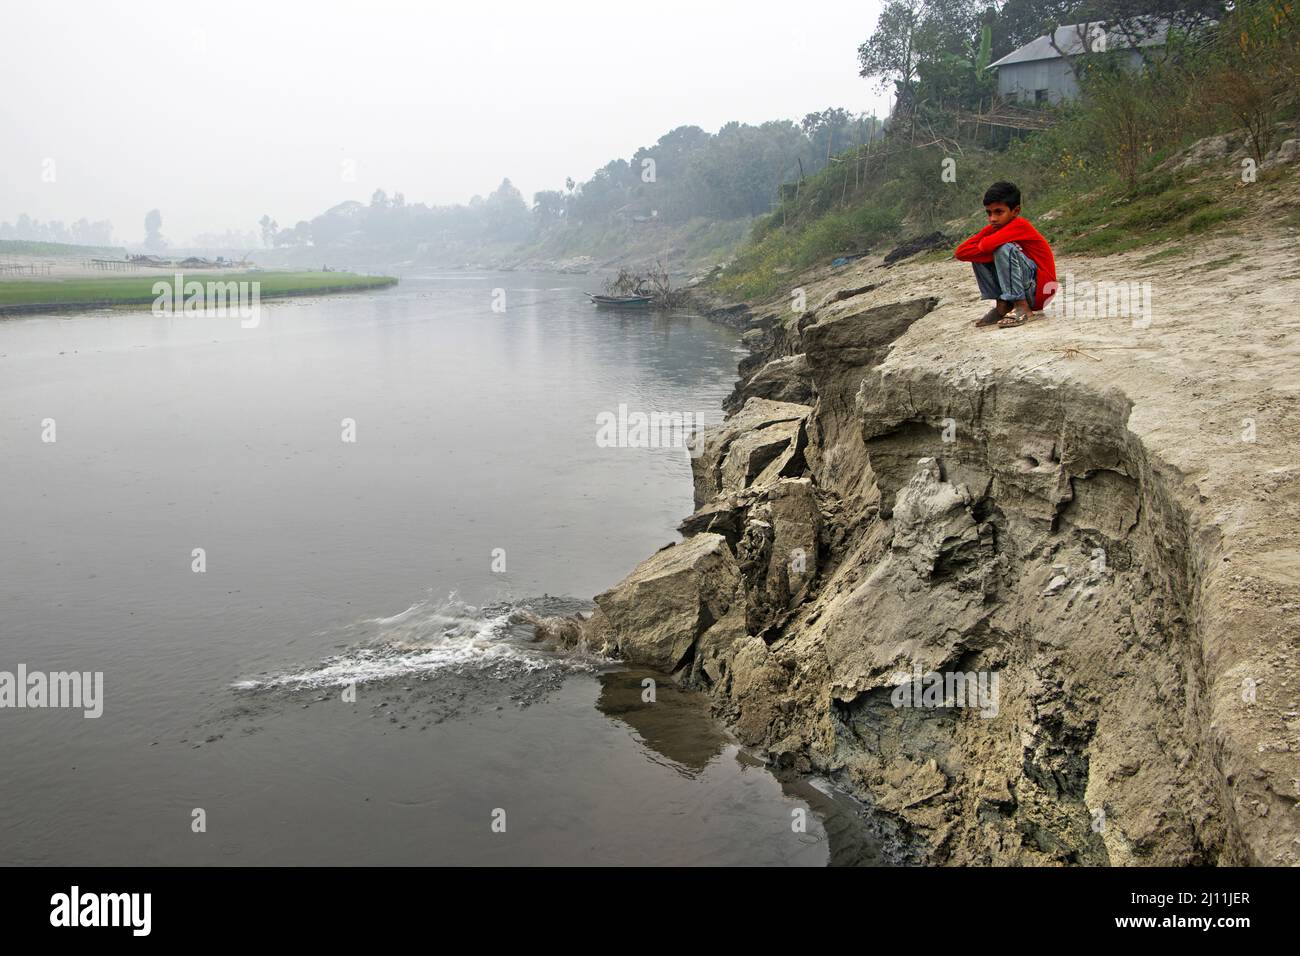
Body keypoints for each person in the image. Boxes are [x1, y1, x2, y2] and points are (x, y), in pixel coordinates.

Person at [954, 181, 1057, 328]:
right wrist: (992, 256)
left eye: (998, 212)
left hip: (1041, 290)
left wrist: (995, 253)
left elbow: (986, 245)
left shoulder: (1020, 225)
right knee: (980, 255)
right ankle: (1002, 305)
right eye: (989, 213)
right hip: (1026, 285)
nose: (992, 219)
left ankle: (1021, 306)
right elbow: (961, 252)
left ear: (1015, 211)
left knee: (1003, 249)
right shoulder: (996, 227)